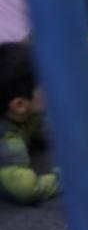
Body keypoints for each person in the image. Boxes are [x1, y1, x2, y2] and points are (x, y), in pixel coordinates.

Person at [0, 43, 60, 205]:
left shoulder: (26, 113)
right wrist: (67, 177)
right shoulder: (8, 143)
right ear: (19, 104)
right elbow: (26, 188)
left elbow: (46, 126)